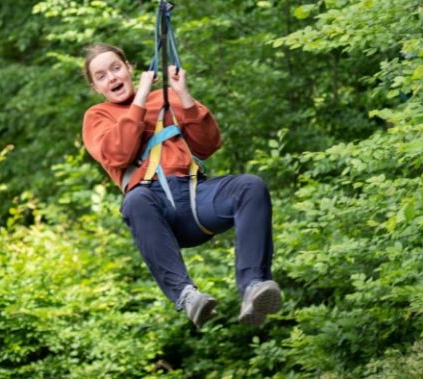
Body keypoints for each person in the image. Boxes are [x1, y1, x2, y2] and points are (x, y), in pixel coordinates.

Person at [81, 43, 282, 327]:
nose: (112, 78)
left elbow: (209, 143)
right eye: (101, 76)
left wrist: (183, 95)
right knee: (134, 200)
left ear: (129, 68)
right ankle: (187, 295)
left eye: (116, 68)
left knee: (251, 186)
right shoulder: (97, 117)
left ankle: (253, 286)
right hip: (156, 209)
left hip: (195, 196)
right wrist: (140, 97)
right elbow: (119, 154)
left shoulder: (166, 99)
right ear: (95, 87)